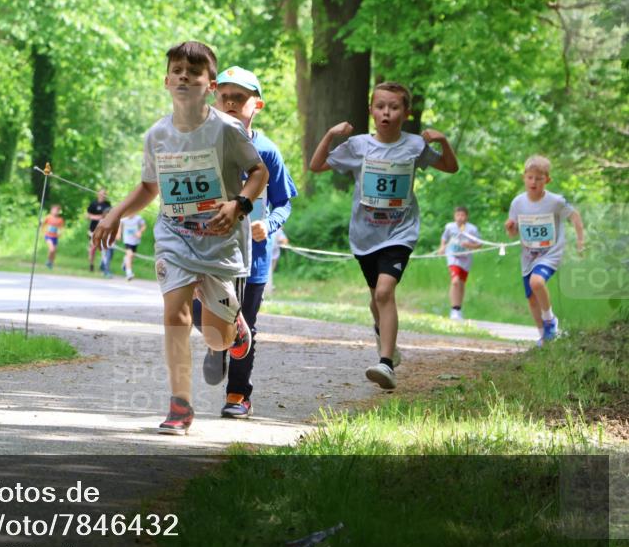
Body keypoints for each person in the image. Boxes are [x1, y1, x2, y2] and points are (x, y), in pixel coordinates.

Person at [91, 41, 268, 435]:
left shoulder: (227, 130)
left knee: (218, 340)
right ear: (167, 81)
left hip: (219, 241)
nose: (185, 75)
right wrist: (115, 214)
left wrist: (238, 204)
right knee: (175, 314)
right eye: (178, 70)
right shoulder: (157, 135)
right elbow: (149, 187)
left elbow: (259, 174)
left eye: (194, 71)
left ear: (210, 85)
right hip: (174, 237)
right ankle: (180, 405)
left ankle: (235, 325)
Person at [309, 81, 459, 390]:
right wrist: (330, 135)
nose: (386, 113)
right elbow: (316, 166)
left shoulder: (415, 145)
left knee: (384, 293)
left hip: (400, 232)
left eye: (393, 107)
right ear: (371, 111)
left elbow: (450, 167)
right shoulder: (358, 146)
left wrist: (443, 141)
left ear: (406, 112)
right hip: (364, 235)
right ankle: (385, 338)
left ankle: (386, 363)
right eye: (380, 107)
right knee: (375, 297)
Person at [192, 66, 298, 419]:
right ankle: (216, 338)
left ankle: (237, 394)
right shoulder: (200, 142)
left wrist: (268, 224)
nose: (232, 103)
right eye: (225, 96)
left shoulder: (267, 151)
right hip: (207, 251)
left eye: (241, 97)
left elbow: (284, 201)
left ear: (258, 104)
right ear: (213, 98)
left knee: (245, 325)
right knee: (200, 311)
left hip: (252, 257)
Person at [504, 155, 585, 344]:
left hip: (550, 253)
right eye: (530, 177)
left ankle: (550, 320)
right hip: (528, 256)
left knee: (537, 282)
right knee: (532, 298)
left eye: (539, 179)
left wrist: (581, 241)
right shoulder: (517, 203)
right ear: (524, 177)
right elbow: (513, 234)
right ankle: (544, 337)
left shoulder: (555, 201)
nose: (534, 182)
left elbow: (575, 216)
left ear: (547, 180)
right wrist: (510, 228)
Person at [437, 206, 482, 320]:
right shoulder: (450, 227)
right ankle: (454, 309)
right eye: (458, 215)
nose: (460, 218)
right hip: (453, 257)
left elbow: (479, 244)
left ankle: (458, 309)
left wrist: (469, 245)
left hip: (465, 259)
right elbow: (444, 238)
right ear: (454, 216)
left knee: (461, 283)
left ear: (466, 217)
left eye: (462, 215)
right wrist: (442, 247)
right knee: (455, 281)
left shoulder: (472, 229)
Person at [85, 188, 112, 271]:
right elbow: (87, 215)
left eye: (105, 193)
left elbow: (111, 215)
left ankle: (103, 265)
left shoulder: (108, 204)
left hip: (104, 230)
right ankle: (91, 264)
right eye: (101, 193)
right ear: (98, 194)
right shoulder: (93, 204)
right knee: (93, 248)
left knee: (104, 248)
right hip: (93, 230)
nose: (103, 195)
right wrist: (98, 217)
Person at [119, 213, 146, 281]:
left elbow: (143, 226)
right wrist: (118, 234)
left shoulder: (138, 218)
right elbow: (120, 226)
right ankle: (129, 273)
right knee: (130, 254)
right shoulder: (123, 219)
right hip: (127, 240)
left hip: (135, 240)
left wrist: (140, 232)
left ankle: (125, 262)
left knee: (131, 256)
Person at [41, 204, 64, 269]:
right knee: (51, 249)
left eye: (56, 211)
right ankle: (48, 261)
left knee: (54, 251)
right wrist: (42, 231)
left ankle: (51, 263)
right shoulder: (48, 217)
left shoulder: (60, 219)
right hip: (48, 236)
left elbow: (61, 228)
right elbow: (42, 224)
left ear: (59, 211)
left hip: (55, 237)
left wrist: (60, 233)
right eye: (53, 210)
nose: (54, 212)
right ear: (51, 211)